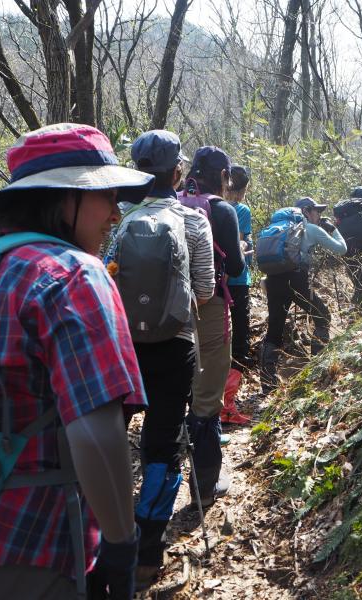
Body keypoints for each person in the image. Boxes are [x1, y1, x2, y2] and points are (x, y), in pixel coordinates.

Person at [0, 123, 153, 599]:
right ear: (64, 199)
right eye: (106, 196)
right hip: (38, 546)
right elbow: (95, 431)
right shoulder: (73, 275)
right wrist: (122, 543)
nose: (115, 213)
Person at [117, 130, 216, 587]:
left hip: (123, 348)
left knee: (110, 437)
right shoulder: (193, 220)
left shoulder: (119, 219)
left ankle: (102, 540)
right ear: (178, 172)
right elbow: (205, 290)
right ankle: (148, 552)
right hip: (175, 345)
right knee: (162, 445)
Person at [180, 146, 245, 509]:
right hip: (209, 308)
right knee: (206, 399)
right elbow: (235, 268)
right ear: (223, 176)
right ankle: (204, 486)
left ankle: (161, 483)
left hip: (166, 312)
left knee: (174, 392)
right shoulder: (221, 210)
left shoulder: (172, 202)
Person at [260, 197, 347, 394]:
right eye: (317, 211)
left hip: (273, 279)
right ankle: (317, 369)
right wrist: (332, 228)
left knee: (274, 328)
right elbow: (342, 249)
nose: (319, 215)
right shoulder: (311, 229)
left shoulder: (278, 229)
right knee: (322, 316)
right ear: (306, 212)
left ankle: (267, 383)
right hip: (296, 279)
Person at [221, 164, 254, 425]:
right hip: (237, 282)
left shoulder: (210, 206)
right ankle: (228, 406)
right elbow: (238, 247)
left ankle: (214, 403)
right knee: (240, 341)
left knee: (216, 342)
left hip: (211, 283)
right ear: (244, 188)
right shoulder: (240, 210)